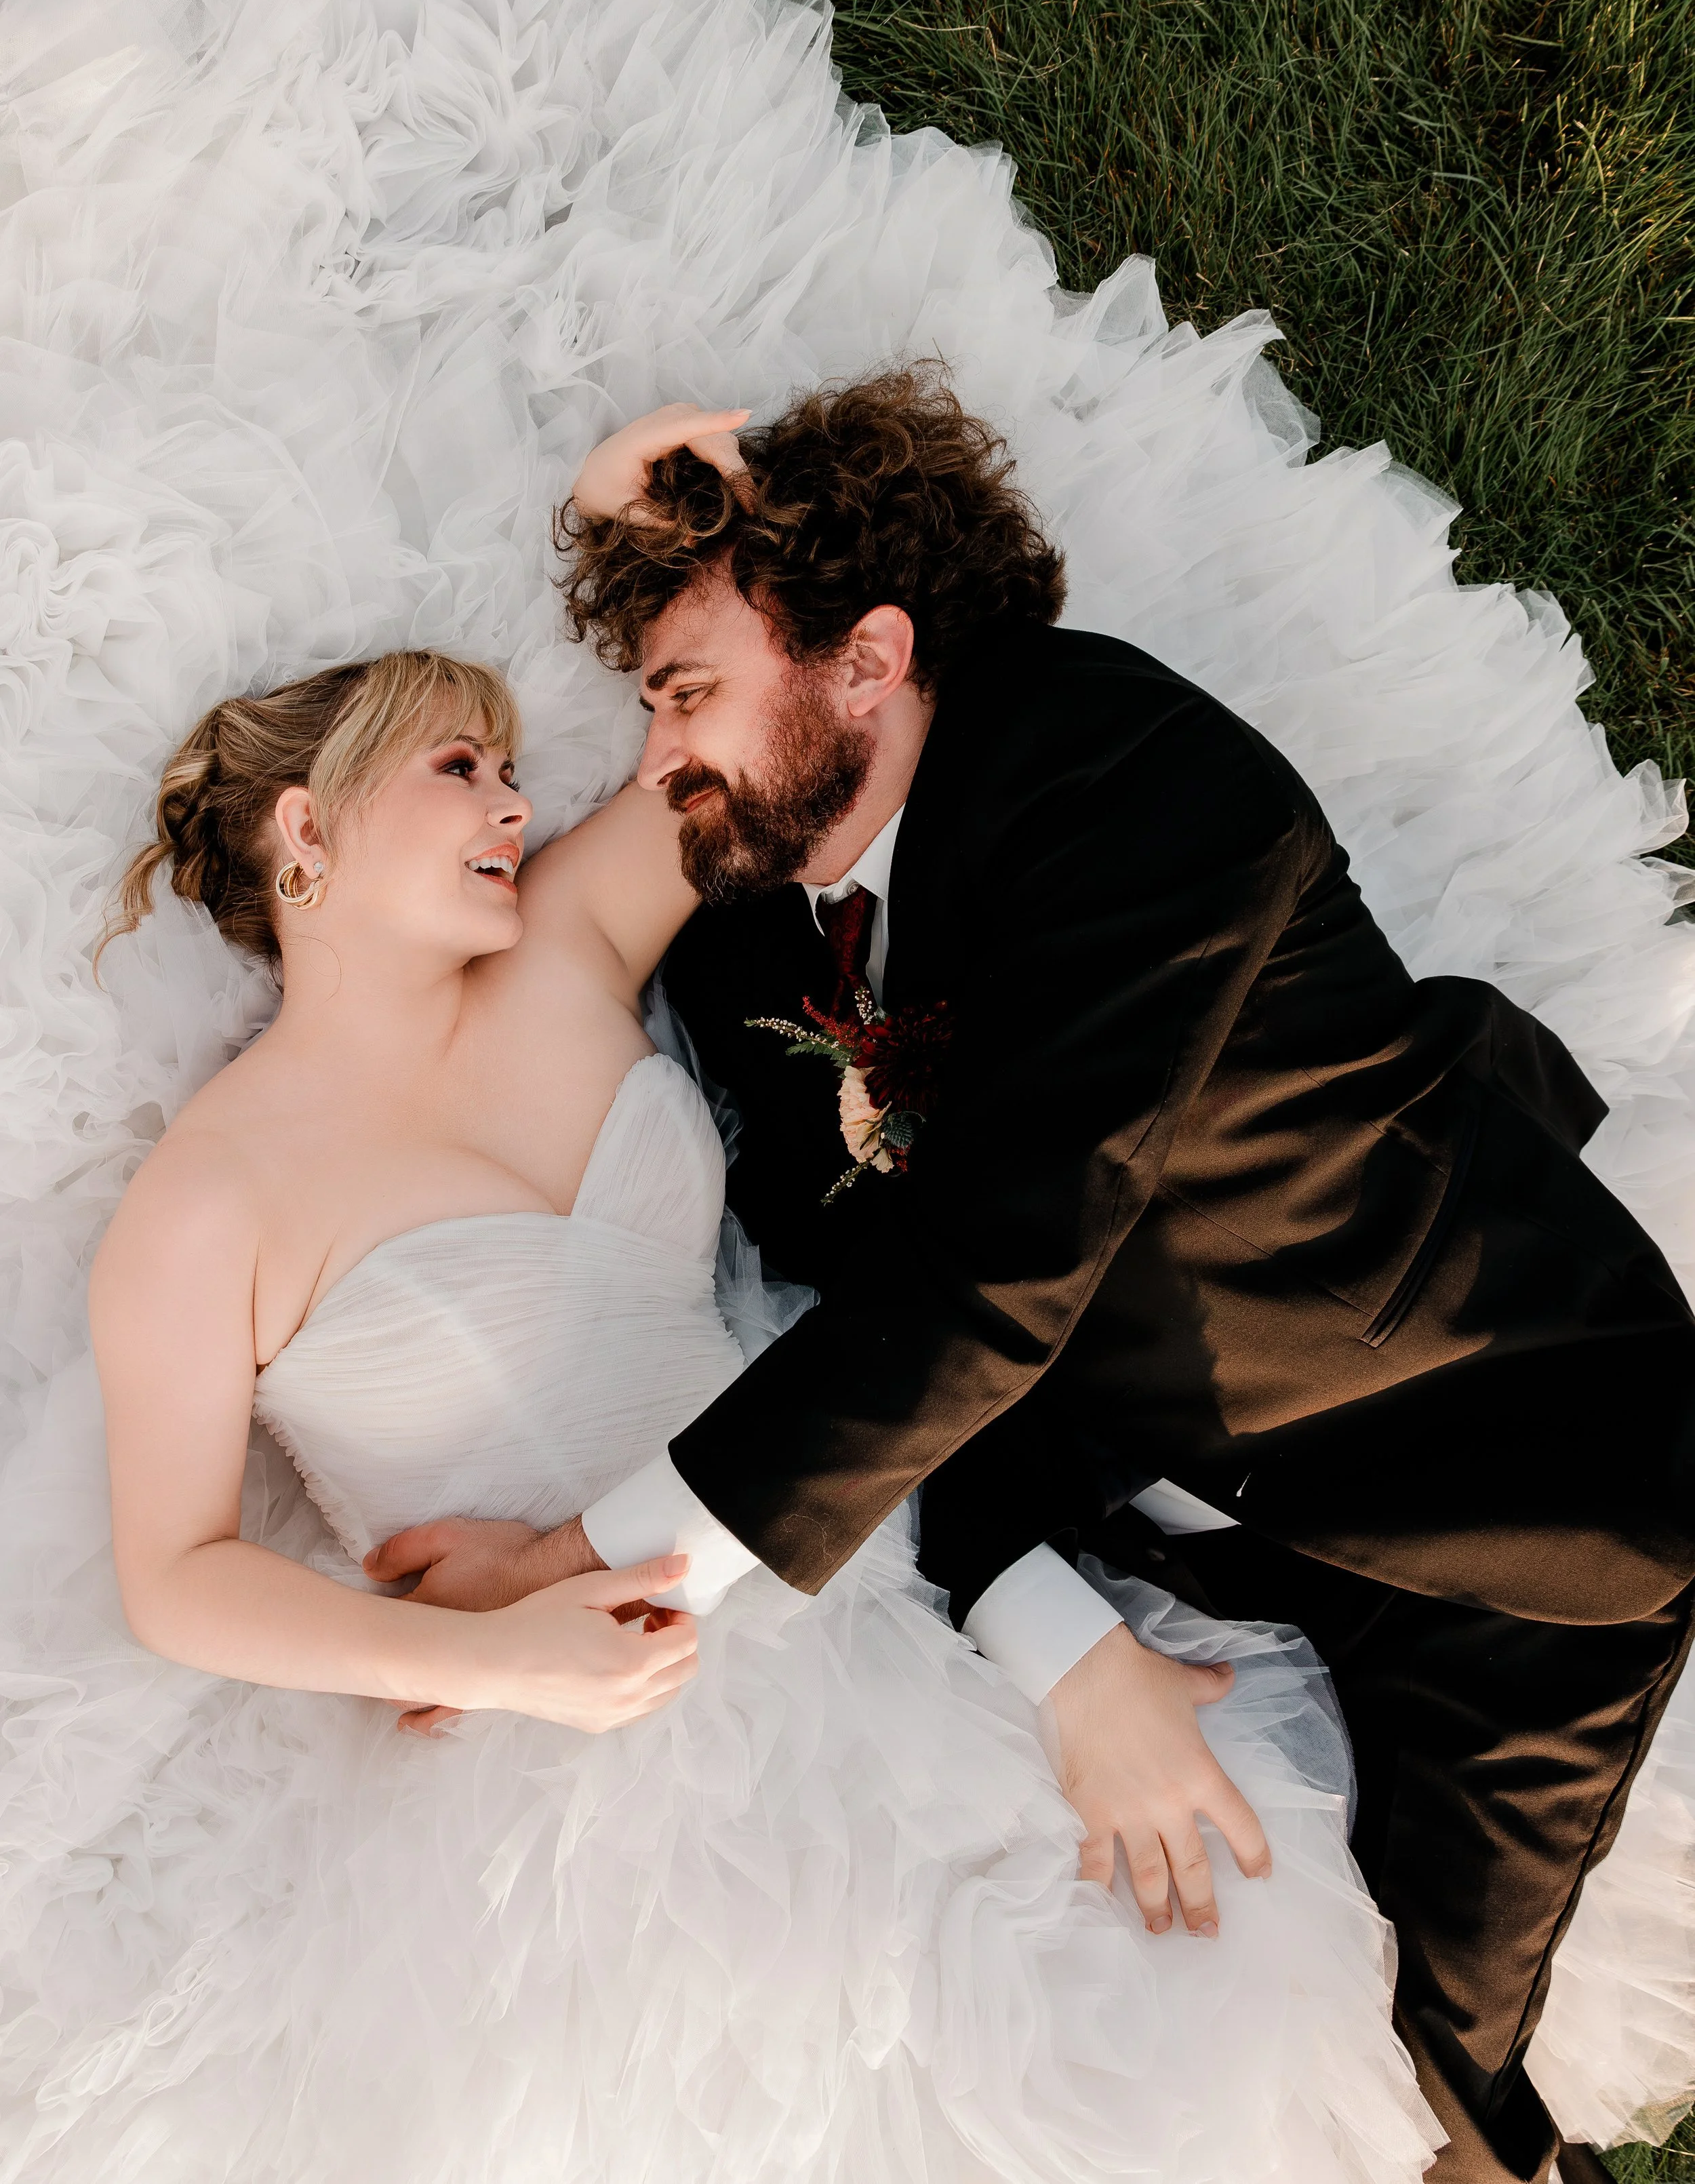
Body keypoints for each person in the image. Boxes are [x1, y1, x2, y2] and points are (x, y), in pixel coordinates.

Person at [382, 374, 1695, 2184]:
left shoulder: (1117, 768)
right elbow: (870, 1285)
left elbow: (994, 1271)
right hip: (1132, 1478)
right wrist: (1053, 1630)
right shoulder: (751, 940)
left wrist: (575, 1563)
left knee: (1455, 2070)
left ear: (867, 655)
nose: (654, 755)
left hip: (1501, 1469)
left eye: (684, 692)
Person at [14, 638, 1437, 2182]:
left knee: (1161, 2017)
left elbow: (758, 736)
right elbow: (177, 1574)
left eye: (505, 766)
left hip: (851, 1559)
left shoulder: (561, 942)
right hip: (572, 1750)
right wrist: (488, 1658)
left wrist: (646, 469)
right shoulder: (207, 1197)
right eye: (459, 770)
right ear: (305, 826)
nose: (515, 802)